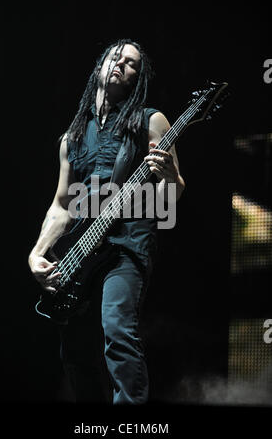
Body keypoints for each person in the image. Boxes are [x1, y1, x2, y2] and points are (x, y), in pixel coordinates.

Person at [28, 39, 185, 404]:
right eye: (115, 55)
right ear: (100, 65)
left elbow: (174, 194)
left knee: (116, 330)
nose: (121, 63)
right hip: (82, 254)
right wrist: (37, 253)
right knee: (76, 352)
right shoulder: (73, 136)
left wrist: (170, 175)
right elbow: (62, 205)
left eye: (131, 63)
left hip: (126, 248)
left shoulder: (151, 120)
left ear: (136, 79)